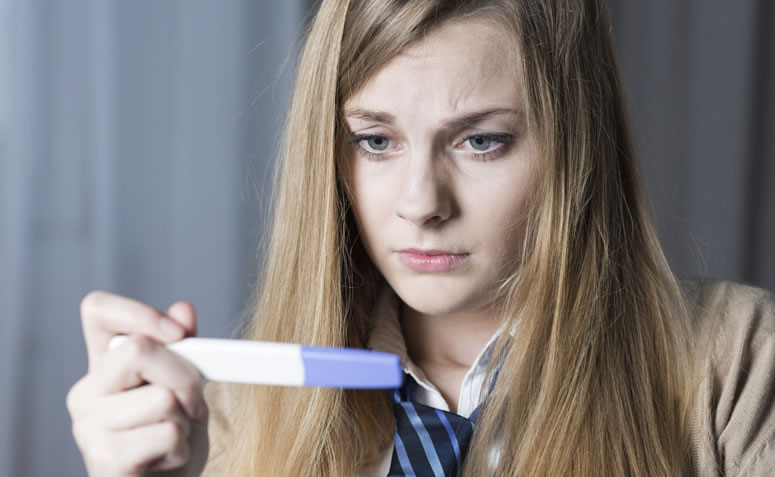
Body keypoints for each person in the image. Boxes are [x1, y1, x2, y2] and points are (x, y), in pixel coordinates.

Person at [66, 0, 775, 475]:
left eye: (481, 141)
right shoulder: (229, 413)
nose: (420, 203)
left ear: (574, 146)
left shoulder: (736, 362)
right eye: (375, 141)